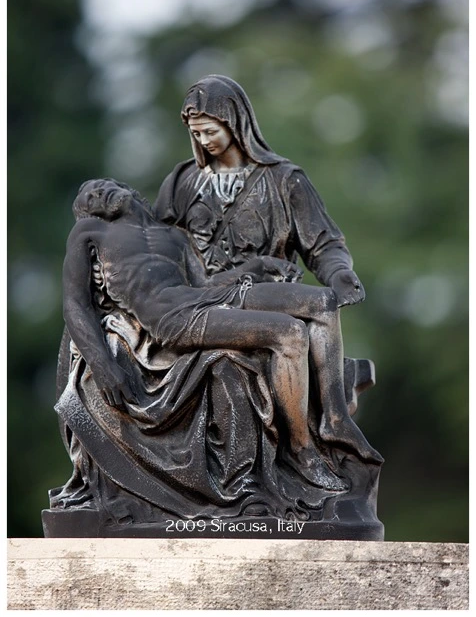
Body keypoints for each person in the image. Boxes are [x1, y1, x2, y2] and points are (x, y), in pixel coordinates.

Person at [66, 177, 361, 491]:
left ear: (126, 187)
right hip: (173, 318)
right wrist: (102, 365)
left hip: (202, 298)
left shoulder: (174, 236)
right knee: (290, 333)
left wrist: (257, 266)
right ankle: (302, 450)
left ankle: (335, 420)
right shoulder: (90, 232)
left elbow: (204, 284)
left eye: (101, 185)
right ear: (89, 213)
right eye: (89, 196)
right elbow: (74, 302)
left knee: (323, 302)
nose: (97, 191)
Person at [154, 74, 381, 464]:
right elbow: (154, 245)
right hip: (200, 301)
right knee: (305, 318)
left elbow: (323, 244)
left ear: (235, 123)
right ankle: (322, 427)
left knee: (322, 304)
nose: (204, 141)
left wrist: (339, 273)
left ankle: (334, 418)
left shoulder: (284, 180)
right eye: (197, 133)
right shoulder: (182, 183)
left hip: (265, 298)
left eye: (211, 131)